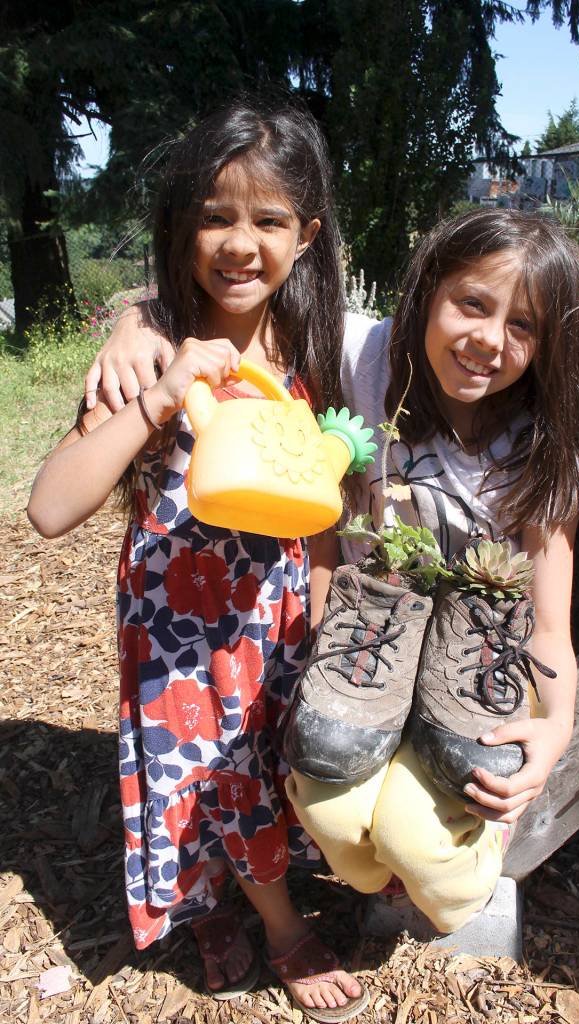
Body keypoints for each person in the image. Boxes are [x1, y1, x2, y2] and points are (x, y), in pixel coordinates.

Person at [86, 208, 579, 936]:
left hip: (472, 673)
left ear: (550, 342)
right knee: (337, 823)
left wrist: (555, 728)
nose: (488, 341)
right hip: (368, 655)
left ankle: (451, 877)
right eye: (471, 303)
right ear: (428, 290)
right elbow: (245, 291)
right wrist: (139, 319)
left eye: (522, 326)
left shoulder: (546, 441)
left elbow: (551, 624)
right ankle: (384, 864)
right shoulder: (362, 358)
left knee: (416, 844)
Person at [28, 98, 369, 1022]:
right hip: (176, 631)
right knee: (202, 773)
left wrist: (328, 609)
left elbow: (320, 503)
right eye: (215, 216)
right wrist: (157, 390)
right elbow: (51, 509)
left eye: (267, 219)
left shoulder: (309, 352)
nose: (238, 242)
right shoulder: (147, 360)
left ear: (307, 232)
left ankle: (211, 901)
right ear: (181, 229)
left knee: (256, 771)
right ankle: (279, 924)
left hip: (275, 620)